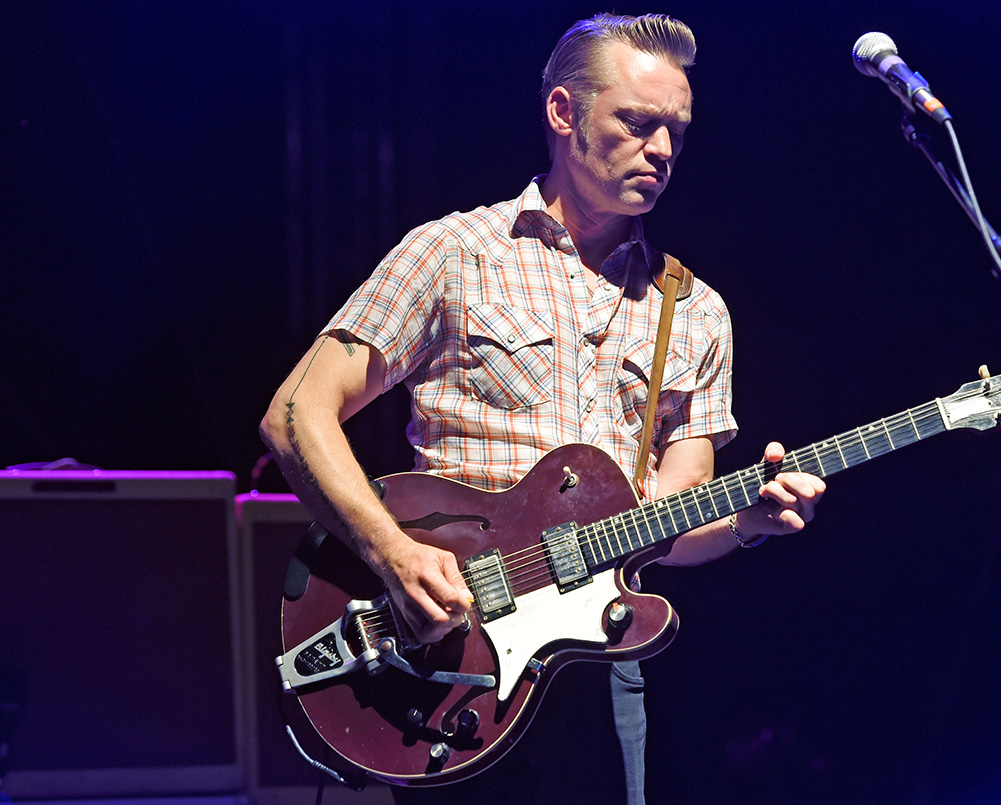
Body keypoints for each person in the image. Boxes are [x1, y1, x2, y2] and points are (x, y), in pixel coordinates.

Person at [260, 12, 825, 803]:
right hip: (446, 660)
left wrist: (747, 521)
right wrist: (392, 553)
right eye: (638, 122)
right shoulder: (454, 254)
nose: (663, 150)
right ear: (564, 112)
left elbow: (671, 519)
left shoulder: (695, 311)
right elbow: (296, 412)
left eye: (677, 131)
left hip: (600, 666)